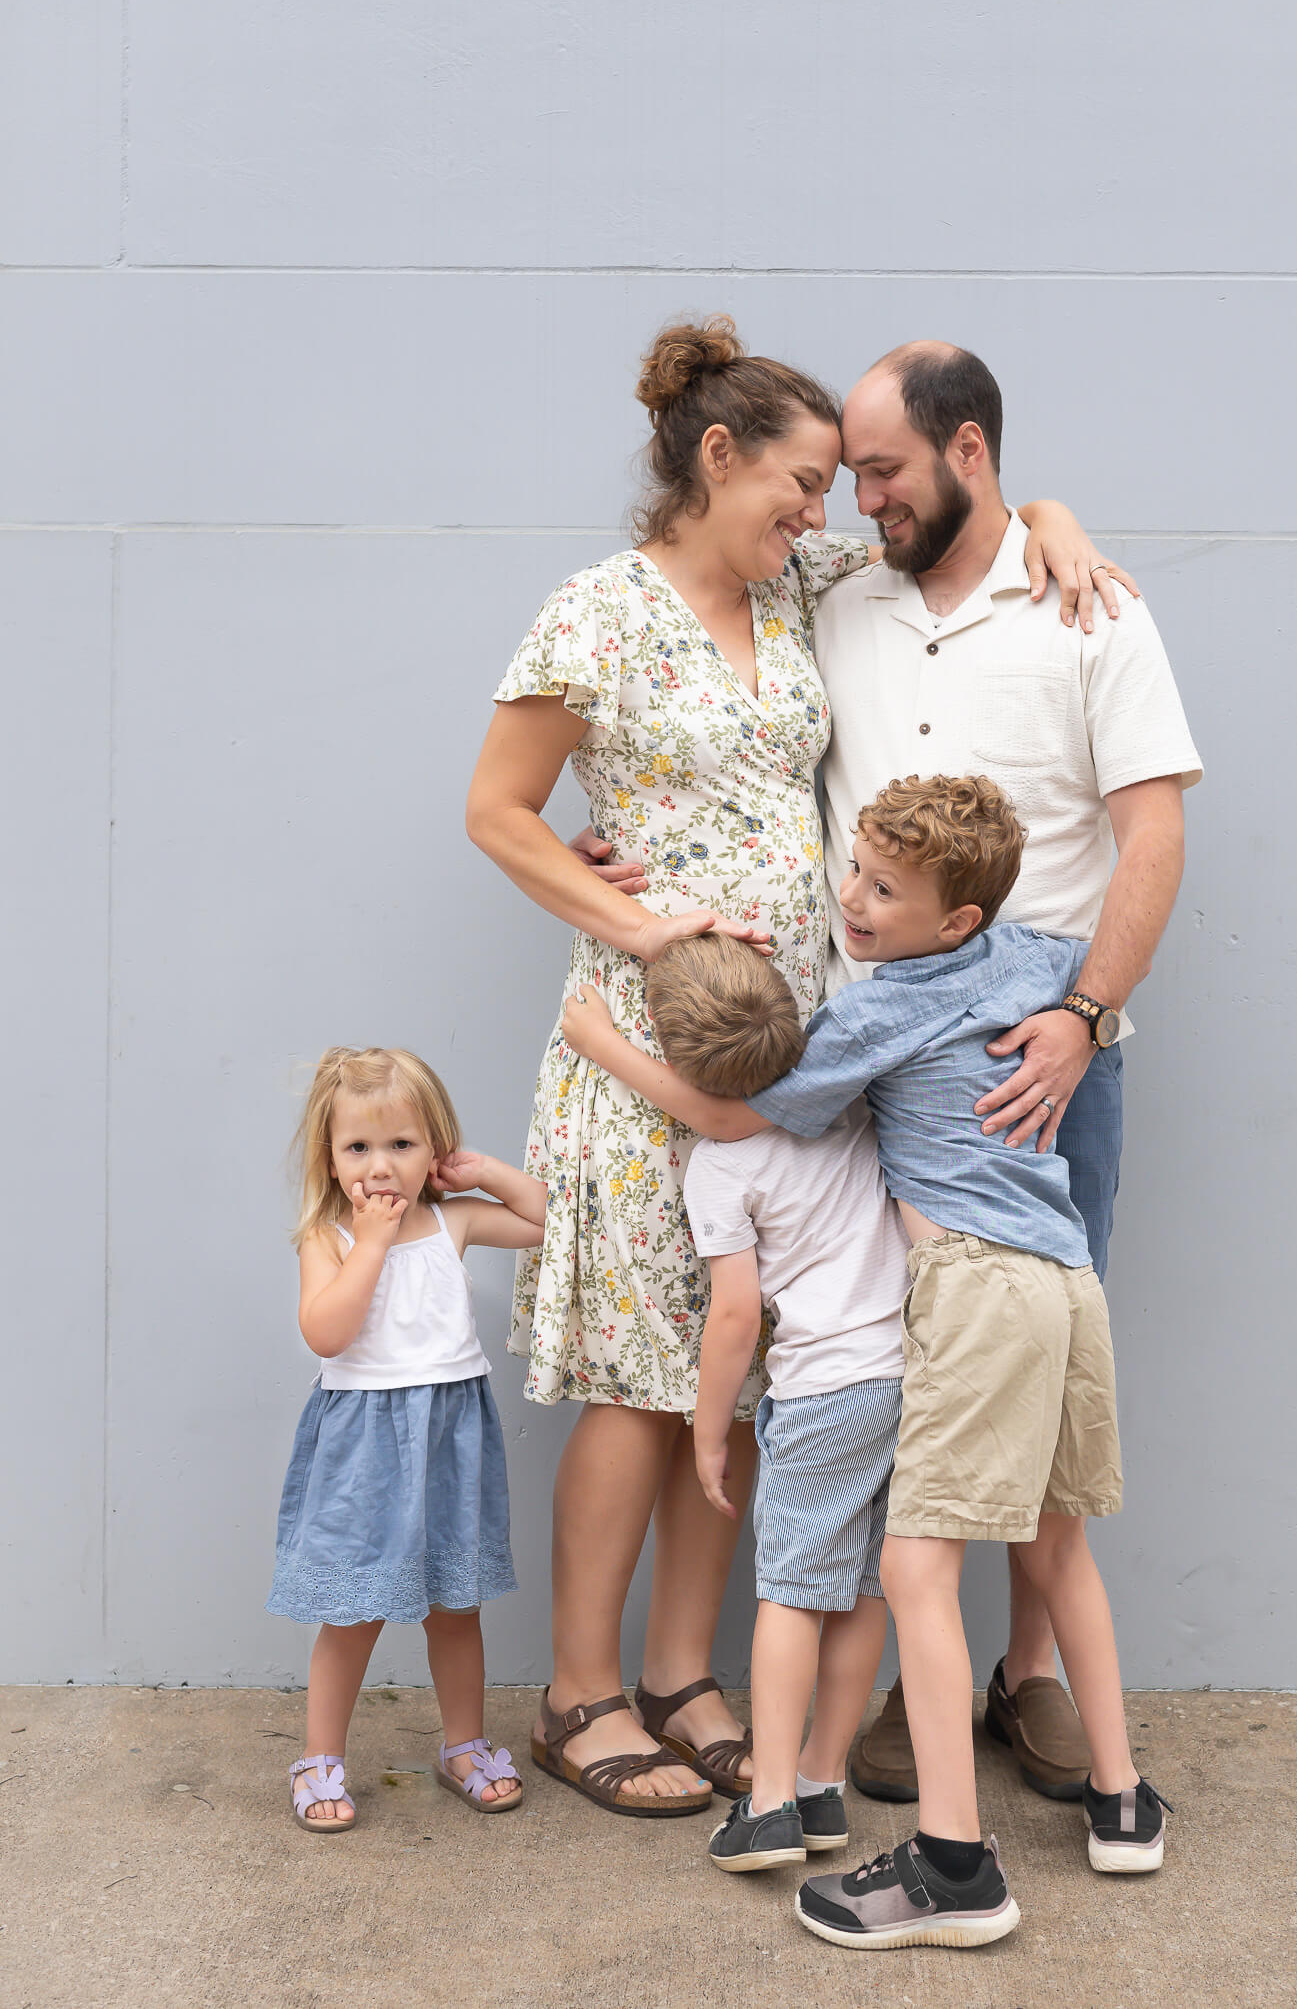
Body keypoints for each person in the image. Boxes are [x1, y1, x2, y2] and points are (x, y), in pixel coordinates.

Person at [465, 315, 1120, 1815]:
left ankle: (685, 1673)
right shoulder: (598, 616)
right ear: (718, 458)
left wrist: (1064, 525)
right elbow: (498, 813)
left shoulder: (808, 587)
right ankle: (579, 1692)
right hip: (652, 1042)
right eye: (803, 484)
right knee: (639, 1378)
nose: (824, 516)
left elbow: (967, 525)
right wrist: (633, 916)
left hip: (809, 1056)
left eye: (836, 491)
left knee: (751, 1365)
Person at [567, 776, 1172, 1951]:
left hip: (976, 1294)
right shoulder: (1040, 959)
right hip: (1064, 1285)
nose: (851, 900)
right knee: (1055, 1547)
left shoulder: (869, 1011)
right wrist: (1091, 1016)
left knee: (912, 1576)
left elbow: (742, 1118)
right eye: (854, 869)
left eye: (884, 889)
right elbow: (1100, 987)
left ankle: (953, 1864)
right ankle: (1120, 1799)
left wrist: (604, 1040)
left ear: (951, 920)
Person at [818, 342, 1202, 1806]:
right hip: (873, 1060)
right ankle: (892, 1674)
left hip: (1046, 1055)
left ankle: (1026, 1676)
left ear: (966, 451)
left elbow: (1151, 835)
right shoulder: (838, 600)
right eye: (850, 474)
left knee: (1037, 1361)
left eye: (886, 470)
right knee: (881, 1360)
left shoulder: (1087, 609)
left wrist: (1085, 1019)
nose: (864, 500)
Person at [631, 933, 909, 1874]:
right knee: (864, 1587)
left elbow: (736, 1313)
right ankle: (824, 1782)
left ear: (680, 1067)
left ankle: (774, 1799)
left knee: (791, 1591)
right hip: (911, 1375)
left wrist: (711, 1434)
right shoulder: (847, 1103)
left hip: (826, 1389)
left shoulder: (720, 1166)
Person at [267, 1046, 547, 1831]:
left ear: (433, 1150)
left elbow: (538, 1217)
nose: (379, 1166)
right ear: (329, 1155)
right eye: (358, 1147)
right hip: (365, 1445)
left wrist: (481, 1169)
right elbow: (326, 1331)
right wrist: (373, 1242)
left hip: (450, 1433)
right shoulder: (326, 1234)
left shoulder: (452, 1219)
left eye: (401, 1144)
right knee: (352, 1610)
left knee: (456, 1605)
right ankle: (320, 1757)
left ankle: (464, 1744)